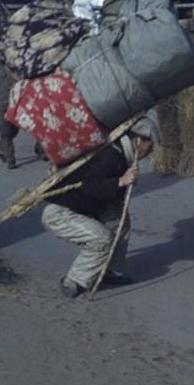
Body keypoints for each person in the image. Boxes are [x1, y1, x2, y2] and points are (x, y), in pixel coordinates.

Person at [41, 115, 160, 298]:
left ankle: (109, 270)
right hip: (60, 213)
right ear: (138, 141)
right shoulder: (111, 155)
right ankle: (73, 281)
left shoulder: (122, 156)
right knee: (102, 239)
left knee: (120, 220)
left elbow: (108, 192)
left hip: (87, 207)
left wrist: (122, 189)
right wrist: (121, 181)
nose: (149, 152)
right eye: (149, 146)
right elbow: (91, 187)